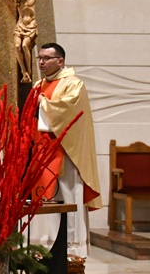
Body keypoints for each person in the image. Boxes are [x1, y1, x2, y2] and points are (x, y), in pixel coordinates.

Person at [30, 42, 102, 258]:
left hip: (67, 150)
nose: (41, 62)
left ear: (60, 61)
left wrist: (43, 103)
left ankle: (72, 247)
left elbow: (69, 111)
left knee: (69, 195)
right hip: (43, 149)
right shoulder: (39, 84)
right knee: (44, 196)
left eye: (46, 58)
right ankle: (42, 245)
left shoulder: (74, 84)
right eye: (40, 58)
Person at [0, 0, 70, 82]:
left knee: (24, 45)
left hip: (31, 26)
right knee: (17, 46)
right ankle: (24, 72)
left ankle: (29, 71)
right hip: (20, 26)